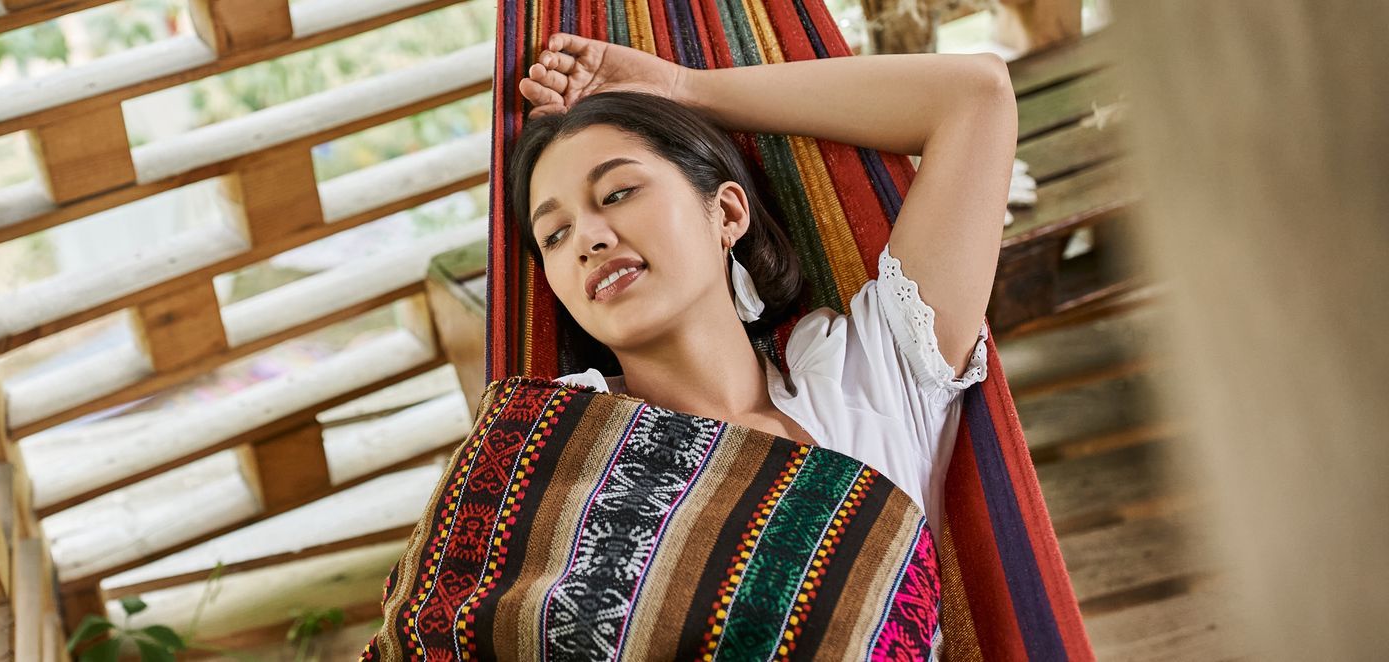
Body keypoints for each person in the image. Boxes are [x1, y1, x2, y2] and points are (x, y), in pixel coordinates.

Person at [363, 32, 1015, 660]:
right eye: (555, 235)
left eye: (618, 192)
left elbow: (974, 95)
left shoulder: (869, 380)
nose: (588, 237)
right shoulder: (540, 449)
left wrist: (684, 87)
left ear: (728, 213)